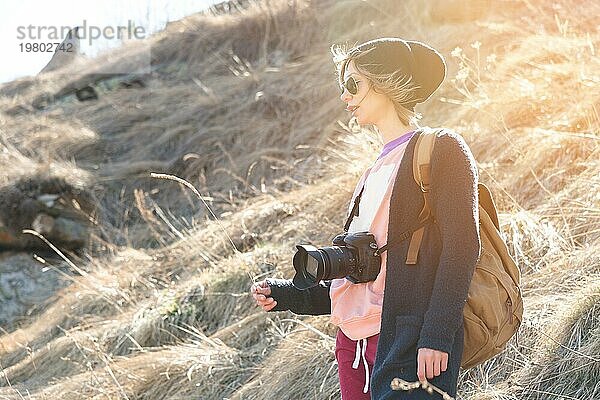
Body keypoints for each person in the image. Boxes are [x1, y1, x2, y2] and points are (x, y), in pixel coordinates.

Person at [250, 37, 481, 399]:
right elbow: (360, 275)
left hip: (407, 341)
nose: (345, 96)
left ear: (386, 81)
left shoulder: (440, 150)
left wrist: (437, 335)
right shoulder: (373, 170)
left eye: (352, 84)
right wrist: (287, 295)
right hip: (352, 344)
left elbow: (462, 247)